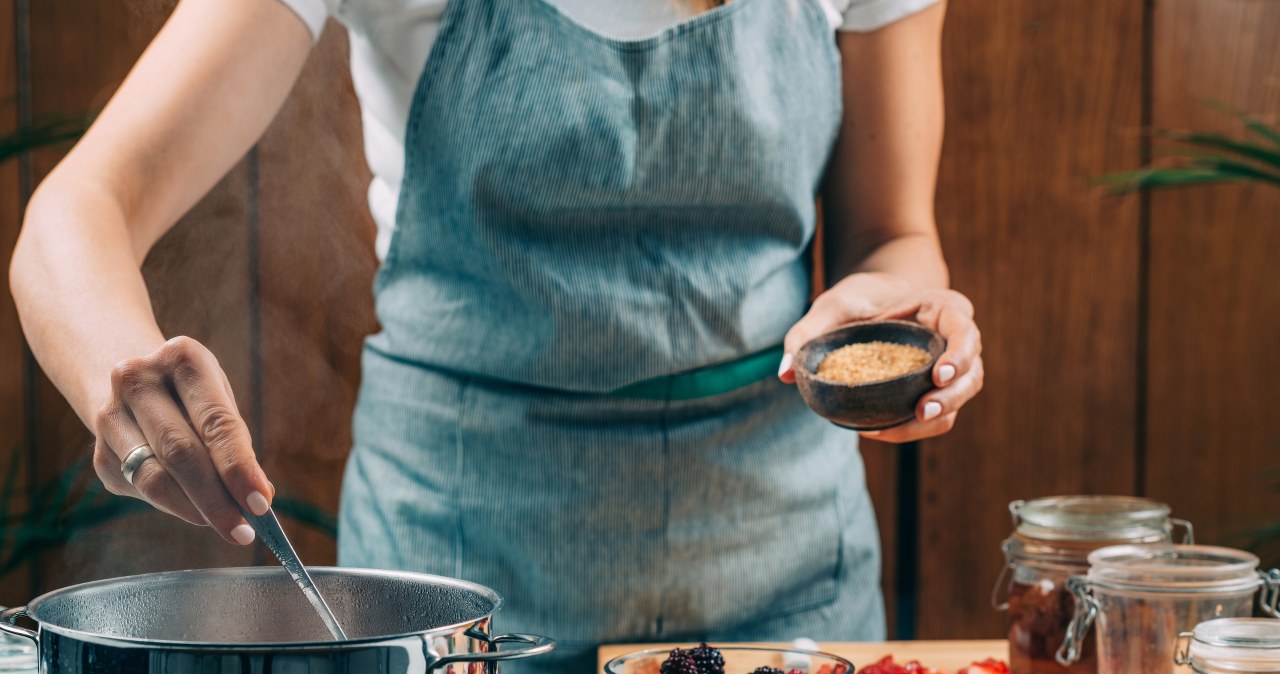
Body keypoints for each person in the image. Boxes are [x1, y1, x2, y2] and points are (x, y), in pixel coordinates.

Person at [10, 0, 983, 671]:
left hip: (783, 568)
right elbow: (77, 212)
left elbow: (892, 232)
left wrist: (901, 315)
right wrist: (120, 378)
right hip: (456, 593)